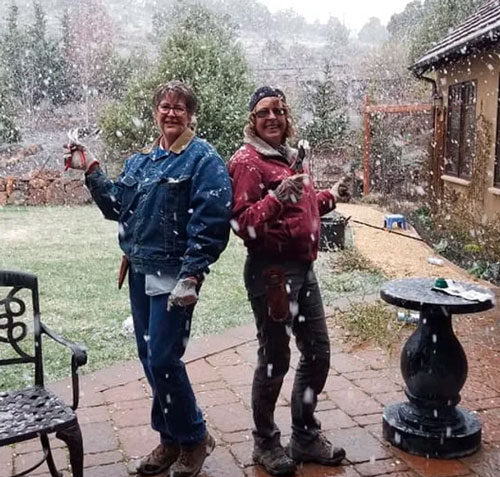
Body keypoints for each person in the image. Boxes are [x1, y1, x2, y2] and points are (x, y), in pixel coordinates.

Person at [64, 81, 232, 477]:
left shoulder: (202, 159)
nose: (171, 113)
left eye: (179, 107)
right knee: (149, 359)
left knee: (163, 358)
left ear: (191, 114)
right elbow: (118, 206)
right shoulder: (143, 161)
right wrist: (90, 168)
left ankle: (193, 437)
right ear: (156, 111)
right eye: (164, 106)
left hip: (175, 275)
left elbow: (212, 220)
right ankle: (170, 438)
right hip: (139, 271)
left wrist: (192, 273)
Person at [227, 86, 350, 476]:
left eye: (279, 110)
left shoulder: (292, 157)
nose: (272, 117)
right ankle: (265, 443)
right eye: (264, 111)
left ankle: (304, 435)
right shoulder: (247, 161)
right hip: (272, 273)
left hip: (303, 269)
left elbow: (303, 205)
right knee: (275, 359)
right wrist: (277, 197)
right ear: (253, 119)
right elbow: (241, 223)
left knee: (317, 353)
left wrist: (330, 195)